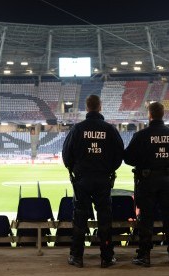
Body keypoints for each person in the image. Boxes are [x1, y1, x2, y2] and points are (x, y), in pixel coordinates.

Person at [62, 94, 124, 268]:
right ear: (100, 107)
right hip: (103, 179)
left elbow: (66, 155)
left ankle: (77, 257)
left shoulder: (77, 129)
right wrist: (109, 170)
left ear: (87, 108)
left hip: (82, 180)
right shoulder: (110, 130)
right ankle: (106, 257)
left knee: (79, 219)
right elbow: (119, 155)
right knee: (105, 219)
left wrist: (75, 169)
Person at [124, 101, 169, 267]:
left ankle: (145, 255)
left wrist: (145, 161)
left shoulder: (142, 135)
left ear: (149, 115)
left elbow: (128, 158)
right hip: (167, 180)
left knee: (146, 218)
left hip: (147, 181)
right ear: (162, 114)